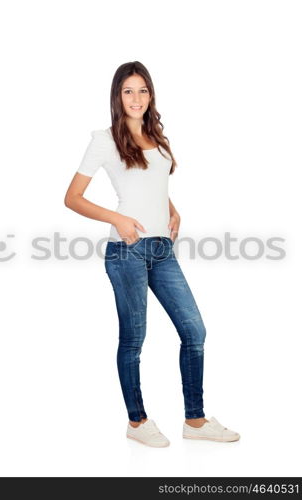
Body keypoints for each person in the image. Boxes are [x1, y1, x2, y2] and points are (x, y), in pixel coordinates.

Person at [64, 61, 240, 448]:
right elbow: (72, 198)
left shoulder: (156, 136)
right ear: (117, 96)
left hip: (162, 249)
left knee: (194, 330)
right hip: (126, 250)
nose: (136, 98)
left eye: (143, 90)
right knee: (134, 339)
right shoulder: (104, 139)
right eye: (128, 91)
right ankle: (137, 421)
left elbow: (153, 184)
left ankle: (194, 420)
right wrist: (118, 218)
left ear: (151, 95)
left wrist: (172, 210)